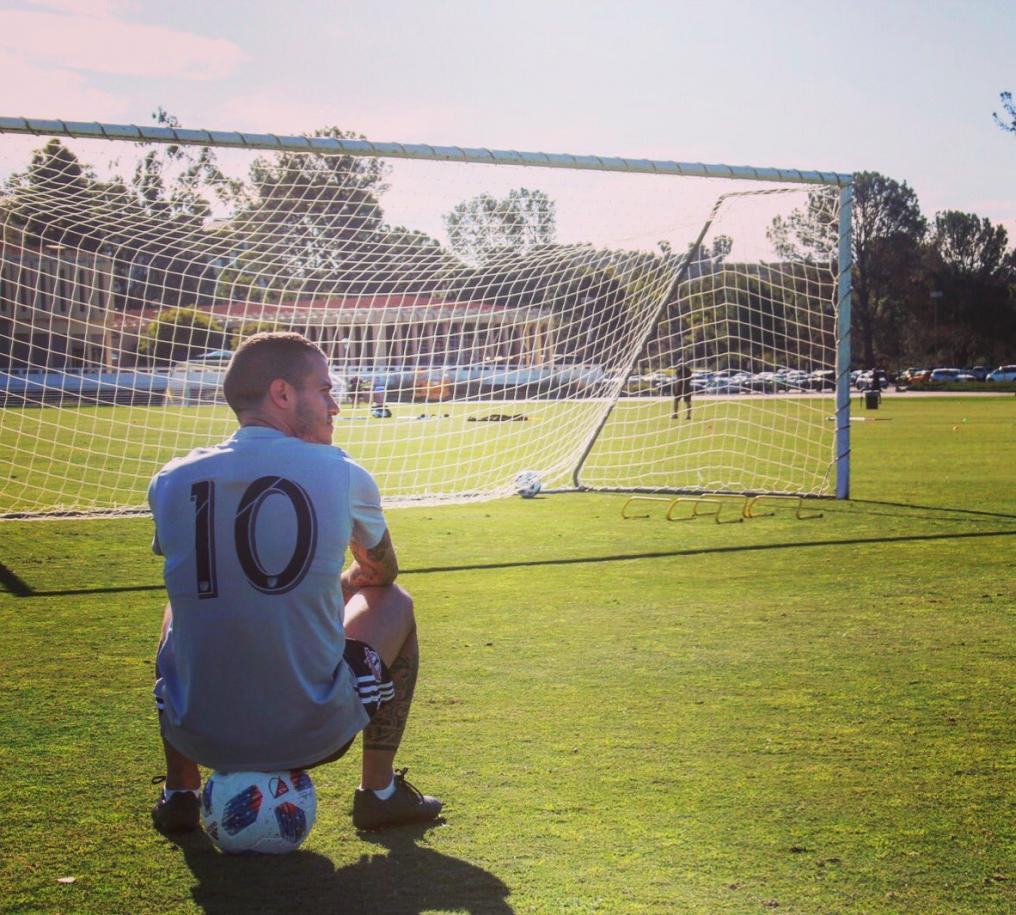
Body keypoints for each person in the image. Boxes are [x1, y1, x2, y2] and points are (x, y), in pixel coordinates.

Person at [148, 332, 442, 834]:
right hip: (313, 735)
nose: (335, 406)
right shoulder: (342, 471)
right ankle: (379, 791)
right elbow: (381, 573)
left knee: (180, 604)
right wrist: (342, 585)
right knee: (393, 600)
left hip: (200, 733)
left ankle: (180, 791)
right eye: (325, 390)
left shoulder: (171, 478)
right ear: (282, 394)